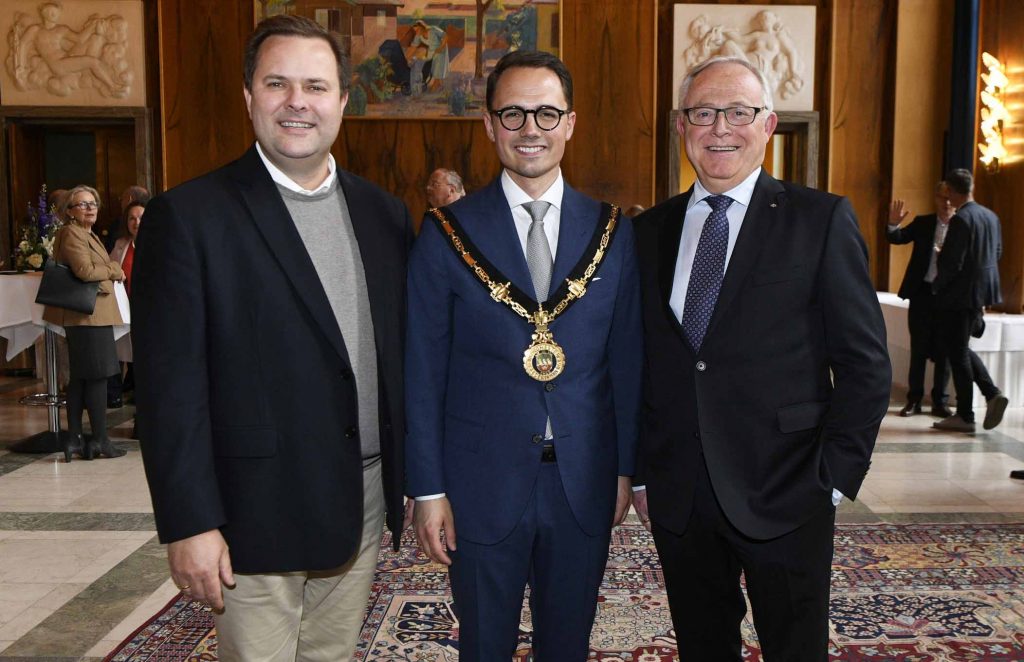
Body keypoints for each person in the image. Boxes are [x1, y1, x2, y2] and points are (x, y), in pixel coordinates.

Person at [132, 14, 412, 660]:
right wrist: (190, 521)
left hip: (361, 496)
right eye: (277, 83)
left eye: (316, 87)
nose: (297, 103)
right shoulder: (190, 218)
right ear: (248, 96)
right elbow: (170, 389)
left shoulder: (384, 214)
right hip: (251, 509)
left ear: (344, 101)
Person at [631, 56, 890, 659]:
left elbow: (865, 364)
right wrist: (642, 470)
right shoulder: (647, 234)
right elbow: (641, 363)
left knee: (795, 649)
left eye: (739, 112)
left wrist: (833, 479)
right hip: (682, 496)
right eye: (703, 113)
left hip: (790, 488)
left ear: (769, 124)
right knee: (702, 647)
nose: (721, 128)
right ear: (681, 126)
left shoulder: (820, 220)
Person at [406, 50, 641, 661]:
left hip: (582, 479)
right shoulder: (446, 233)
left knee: (568, 646)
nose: (529, 128)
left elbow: (626, 363)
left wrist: (624, 470)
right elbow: (423, 372)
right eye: (512, 114)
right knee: (483, 647)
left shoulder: (612, 232)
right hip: (478, 481)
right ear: (487, 125)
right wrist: (427, 488)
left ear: (570, 123)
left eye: (545, 113)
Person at [42, 185, 127, 462]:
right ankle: (99, 440)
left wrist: (107, 271)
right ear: (69, 211)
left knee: (81, 377)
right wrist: (115, 269)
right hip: (86, 315)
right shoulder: (71, 233)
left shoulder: (86, 233)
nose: (90, 208)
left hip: (91, 314)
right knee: (98, 375)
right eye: (82, 204)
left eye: (93, 203)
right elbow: (85, 271)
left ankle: (77, 440)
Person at [931, 168, 1008, 432]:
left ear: (951, 191)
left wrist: (937, 285)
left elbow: (953, 262)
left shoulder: (962, 219)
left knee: (958, 353)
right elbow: (997, 252)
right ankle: (990, 394)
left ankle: (966, 414)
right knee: (960, 348)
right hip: (980, 294)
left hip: (959, 295)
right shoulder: (991, 216)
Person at [886, 184, 954, 418]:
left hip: (948, 296)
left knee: (944, 350)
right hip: (922, 293)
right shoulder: (924, 223)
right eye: (942, 197)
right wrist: (894, 223)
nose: (946, 203)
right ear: (935, 198)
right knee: (919, 348)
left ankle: (940, 402)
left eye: (950, 198)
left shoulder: (963, 225)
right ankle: (914, 400)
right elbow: (896, 238)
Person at [108, 201, 144, 403]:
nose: (137, 222)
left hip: (147, 309)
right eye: (132, 218)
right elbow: (111, 266)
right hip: (124, 306)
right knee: (125, 349)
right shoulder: (121, 244)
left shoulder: (158, 242)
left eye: (141, 217)